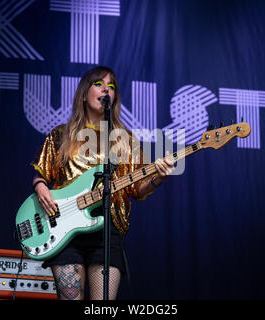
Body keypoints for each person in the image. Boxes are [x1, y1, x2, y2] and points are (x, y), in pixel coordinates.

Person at [30, 66, 174, 300]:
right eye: (99, 83)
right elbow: (41, 173)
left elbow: (137, 189)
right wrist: (40, 187)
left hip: (108, 232)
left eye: (112, 86)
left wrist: (158, 177)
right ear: (84, 93)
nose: (106, 88)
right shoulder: (61, 134)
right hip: (64, 231)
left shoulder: (125, 139)